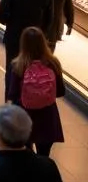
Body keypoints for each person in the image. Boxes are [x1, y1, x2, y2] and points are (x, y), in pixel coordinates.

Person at [0, 0, 53, 96]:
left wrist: (11, 23)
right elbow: (48, 19)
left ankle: (10, 98)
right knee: (31, 69)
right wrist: (40, 34)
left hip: (14, 37)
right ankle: (27, 97)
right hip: (34, 39)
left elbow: (1, 14)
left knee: (12, 68)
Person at [5, 27, 66, 158]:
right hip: (48, 116)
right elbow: (61, 91)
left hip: (25, 117)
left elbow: (13, 94)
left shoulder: (18, 65)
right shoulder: (53, 63)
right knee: (44, 156)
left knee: (25, 157)